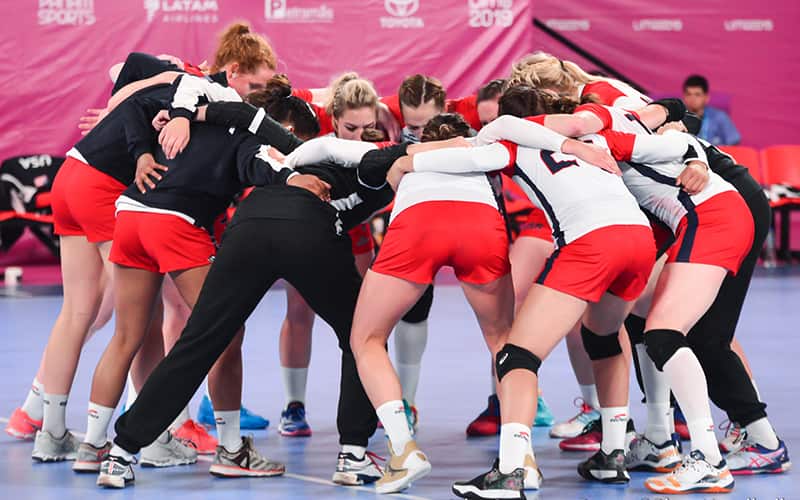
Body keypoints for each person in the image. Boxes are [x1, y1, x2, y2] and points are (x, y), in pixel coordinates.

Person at [99, 109, 457, 488]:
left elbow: (254, 122)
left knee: (199, 342)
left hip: (250, 227)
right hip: (305, 229)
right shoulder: (374, 159)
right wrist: (483, 142)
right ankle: (353, 454)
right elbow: (417, 156)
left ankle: (120, 453)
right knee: (362, 337)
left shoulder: (305, 152)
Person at [381, 74, 447, 141]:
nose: (421, 135)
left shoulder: (456, 114)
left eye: (429, 126)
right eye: (414, 128)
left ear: (445, 110)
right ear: (401, 114)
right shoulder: (390, 111)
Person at [682, 75, 741, 145]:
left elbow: (734, 142)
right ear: (684, 97)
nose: (692, 99)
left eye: (697, 94)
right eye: (688, 94)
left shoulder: (720, 117)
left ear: (706, 98)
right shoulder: (677, 120)